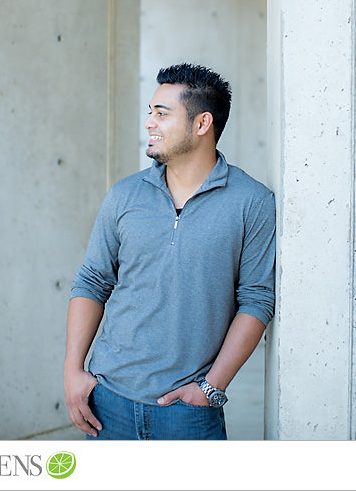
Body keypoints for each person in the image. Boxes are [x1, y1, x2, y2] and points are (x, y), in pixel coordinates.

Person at [64, 63, 275, 440]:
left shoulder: (251, 202)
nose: (149, 123)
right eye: (150, 112)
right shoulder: (124, 195)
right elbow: (92, 281)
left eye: (162, 114)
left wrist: (211, 388)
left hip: (188, 412)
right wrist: (72, 371)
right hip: (107, 401)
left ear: (201, 124)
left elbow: (256, 299)